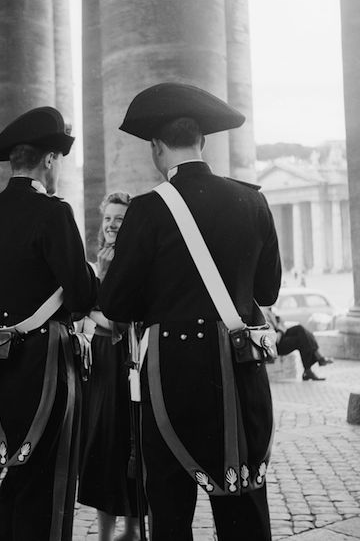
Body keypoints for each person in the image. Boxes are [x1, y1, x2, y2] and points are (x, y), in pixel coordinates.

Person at [99, 83, 282, 541]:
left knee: (172, 512)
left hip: (172, 380)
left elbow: (117, 304)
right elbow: (269, 289)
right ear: (202, 141)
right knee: (245, 503)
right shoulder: (253, 199)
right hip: (242, 376)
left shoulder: (146, 210)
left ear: (158, 148)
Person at [0, 107, 98, 541]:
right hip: (45, 368)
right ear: (49, 161)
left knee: (14, 478)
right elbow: (79, 296)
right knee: (47, 482)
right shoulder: (53, 212)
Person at [77, 191, 141, 541]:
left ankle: (132, 528)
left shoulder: (136, 261)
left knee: (131, 443)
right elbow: (86, 310)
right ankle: (104, 534)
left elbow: (116, 318)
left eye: (120, 218)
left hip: (130, 360)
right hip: (103, 363)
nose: (113, 225)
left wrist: (103, 291)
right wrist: (100, 307)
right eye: (108, 219)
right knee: (102, 444)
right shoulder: (93, 263)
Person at [262, 306, 333, 381]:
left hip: (280, 334)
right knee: (301, 340)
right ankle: (314, 363)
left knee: (301, 329)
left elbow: (281, 322)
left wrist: (280, 330)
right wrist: (279, 330)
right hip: (275, 343)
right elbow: (269, 329)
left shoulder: (270, 310)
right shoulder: (263, 311)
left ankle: (311, 366)